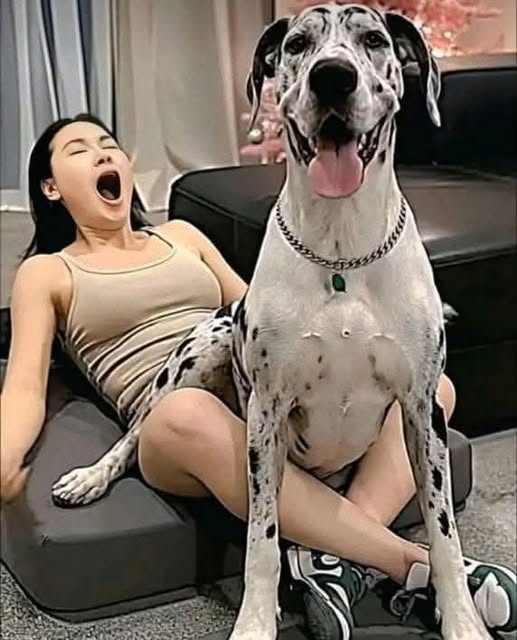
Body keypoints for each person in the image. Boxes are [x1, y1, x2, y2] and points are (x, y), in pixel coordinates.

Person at [1, 114, 514, 639]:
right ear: (50, 187)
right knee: (187, 412)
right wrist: (4, 457)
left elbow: (262, 310)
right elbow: (23, 384)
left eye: (109, 144)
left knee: (438, 391)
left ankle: (330, 564)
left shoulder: (181, 235)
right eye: (80, 150)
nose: (103, 154)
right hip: (170, 423)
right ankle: (411, 563)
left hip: (258, 390)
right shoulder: (48, 271)